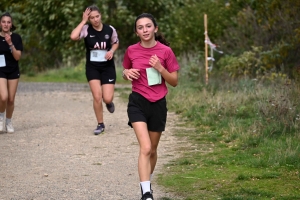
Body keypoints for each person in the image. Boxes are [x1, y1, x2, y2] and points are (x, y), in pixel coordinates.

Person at [122, 13, 180, 200]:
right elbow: (125, 71)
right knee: (145, 147)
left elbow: (174, 82)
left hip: (158, 103)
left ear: (155, 28)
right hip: (137, 102)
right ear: (136, 32)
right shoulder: (131, 50)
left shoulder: (165, 52)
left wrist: (160, 69)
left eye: (148, 26)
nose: (145, 30)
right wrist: (127, 73)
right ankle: (146, 193)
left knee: (153, 150)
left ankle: (147, 181)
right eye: (140, 27)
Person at [70, 5, 119, 135]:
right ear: (89, 19)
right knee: (97, 96)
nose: (95, 20)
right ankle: (100, 124)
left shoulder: (110, 29)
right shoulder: (86, 29)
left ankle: (108, 103)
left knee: (107, 98)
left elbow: (116, 42)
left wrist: (112, 51)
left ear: (101, 15)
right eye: (92, 18)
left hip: (107, 67)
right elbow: (73, 37)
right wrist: (83, 21)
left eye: (97, 16)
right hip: (92, 67)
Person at [0, 12, 23, 133]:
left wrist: (10, 44)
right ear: (0, 23)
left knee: (10, 99)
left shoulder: (16, 38)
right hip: (0, 71)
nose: (6, 24)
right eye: (3, 22)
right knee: (3, 97)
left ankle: (8, 121)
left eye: (8, 22)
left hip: (13, 70)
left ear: (11, 24)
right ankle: (0, 117)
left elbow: (17, 57)